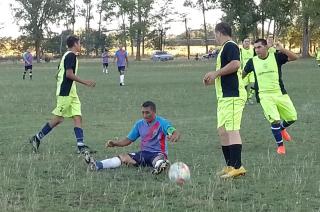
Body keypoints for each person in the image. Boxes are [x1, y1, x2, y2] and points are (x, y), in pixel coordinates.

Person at [28, 35, 96, 154]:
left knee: (77, 117)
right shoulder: (70, 56)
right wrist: (86, 82)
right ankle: (37, 138)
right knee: (58, 119)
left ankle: (81, 146)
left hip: (71, 92)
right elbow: (68, 74)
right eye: (79, 43)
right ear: (75, 44)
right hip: (65, 93)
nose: (80, 46)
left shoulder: (66, 55)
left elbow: (59, 72)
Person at [84, 101, 181, 175]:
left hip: (158, 154)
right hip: (143, 154)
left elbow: (172, 130)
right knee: (123, 157)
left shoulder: (162, 122)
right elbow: (128, 140)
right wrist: (115, 143)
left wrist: (175, 135)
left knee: (159, 160)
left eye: (147, 113)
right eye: (143, 112)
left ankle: (160, 166)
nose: (144, 115)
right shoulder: (139, 124)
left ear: (154, 112)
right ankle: (96, 165)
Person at [203, 22, 247, 179]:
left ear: (219, 32)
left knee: (232, 129)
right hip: (224, 97)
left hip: (233, 95)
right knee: (222, 130)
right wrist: (214, 77)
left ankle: (238, 167)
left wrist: (216, 74)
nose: (215, 37)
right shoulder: (224, 49)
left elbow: (235, 64)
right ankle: (229, 166)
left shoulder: (230, 45)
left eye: (215, 34)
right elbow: (227, 70)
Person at [243, 39, 298, 155]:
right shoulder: (252, 62)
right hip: (264, 95)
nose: (257, 50)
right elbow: (242, 75)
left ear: (266, 47)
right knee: (275, 120)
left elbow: (294, 57)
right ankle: (280, 146)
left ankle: (282, 128)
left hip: (280, 93)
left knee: (292, 117)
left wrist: (281, 49)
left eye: (259, 47)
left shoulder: (276, 57)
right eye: (255, 48)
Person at [240, 38, 255, 104]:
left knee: (253, 84)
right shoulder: (240, 50)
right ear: (242, 42)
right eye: (245, 41)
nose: (247, 43)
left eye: (248, 41)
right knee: (244, 86)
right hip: (244, 71)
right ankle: (245, 99)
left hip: (252, 71)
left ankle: (250, 97)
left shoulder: (253, 50)